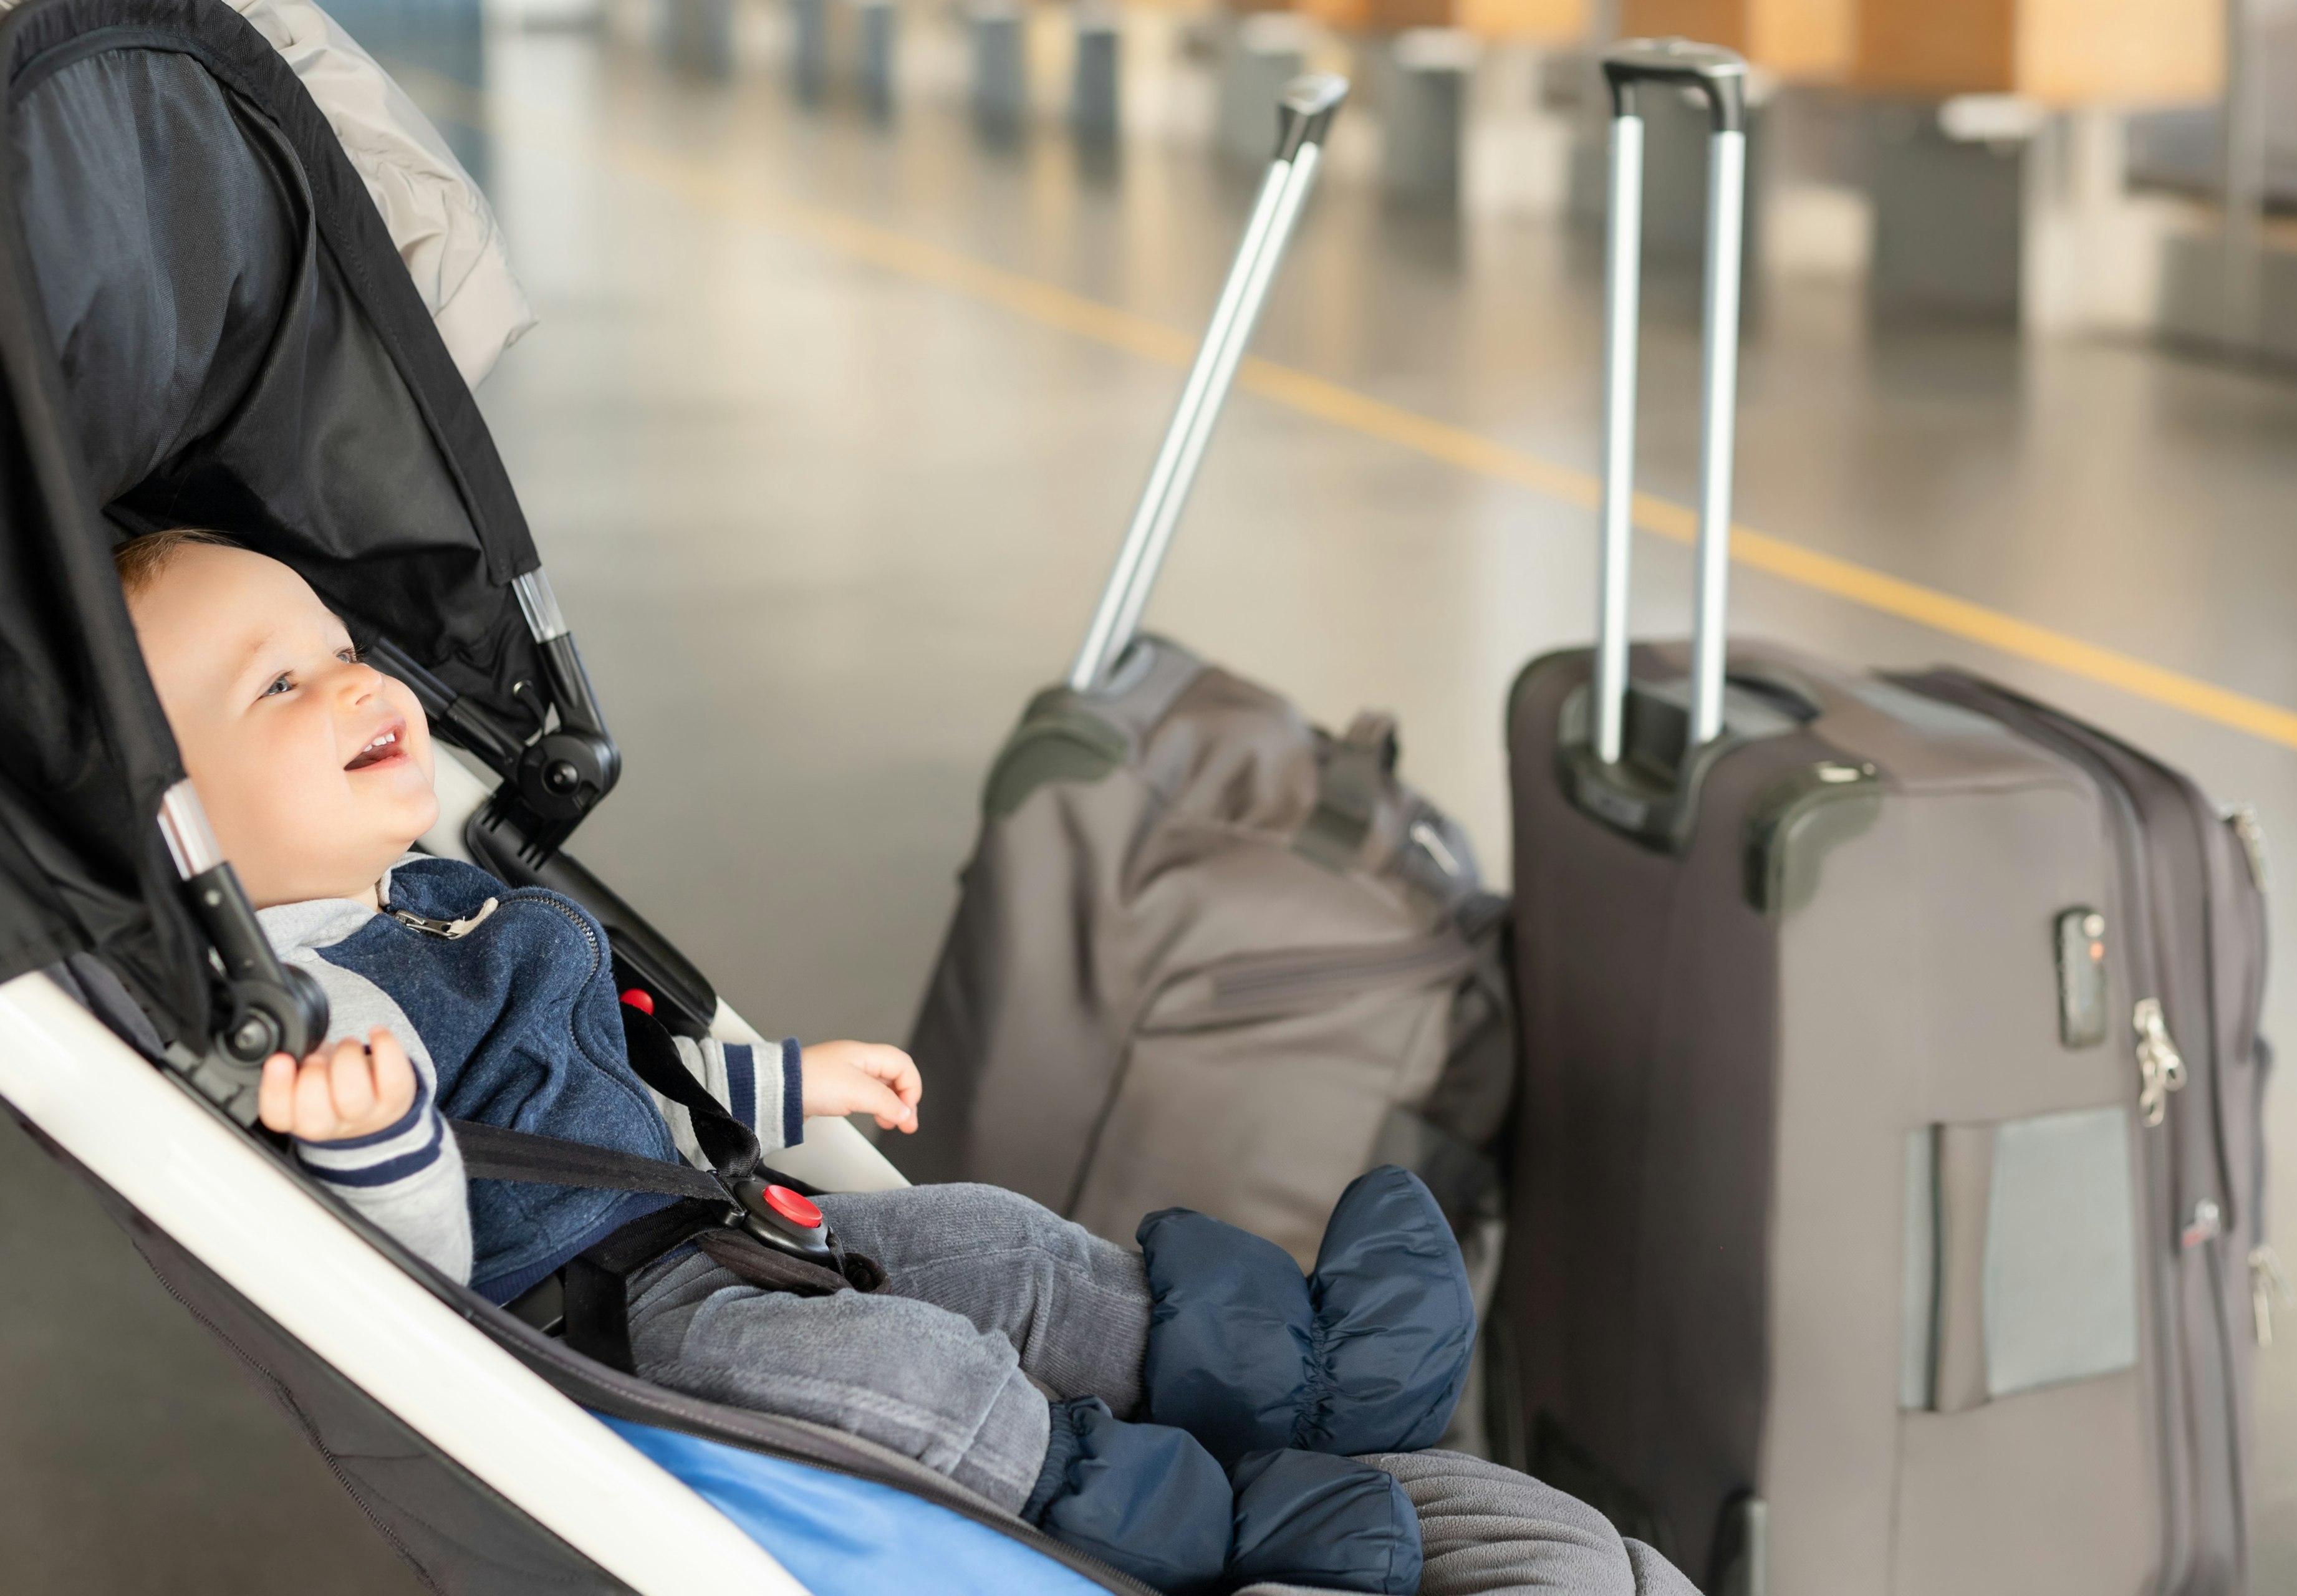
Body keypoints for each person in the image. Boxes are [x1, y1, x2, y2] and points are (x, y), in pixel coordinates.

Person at [118, 527, 1473, 1595]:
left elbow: (621, 1072)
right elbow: (405, 1264)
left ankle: (1304, 1369)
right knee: (909, 1385)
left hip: (712, 1209)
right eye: (279, 683)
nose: (359, 679)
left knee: (1001, 1245)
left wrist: (789, 1081)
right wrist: (376, 1141)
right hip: (632, 1324)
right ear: (182, 827)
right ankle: (1213, 1533)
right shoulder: (307, 1000)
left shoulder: (427, 884)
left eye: (343, 646)